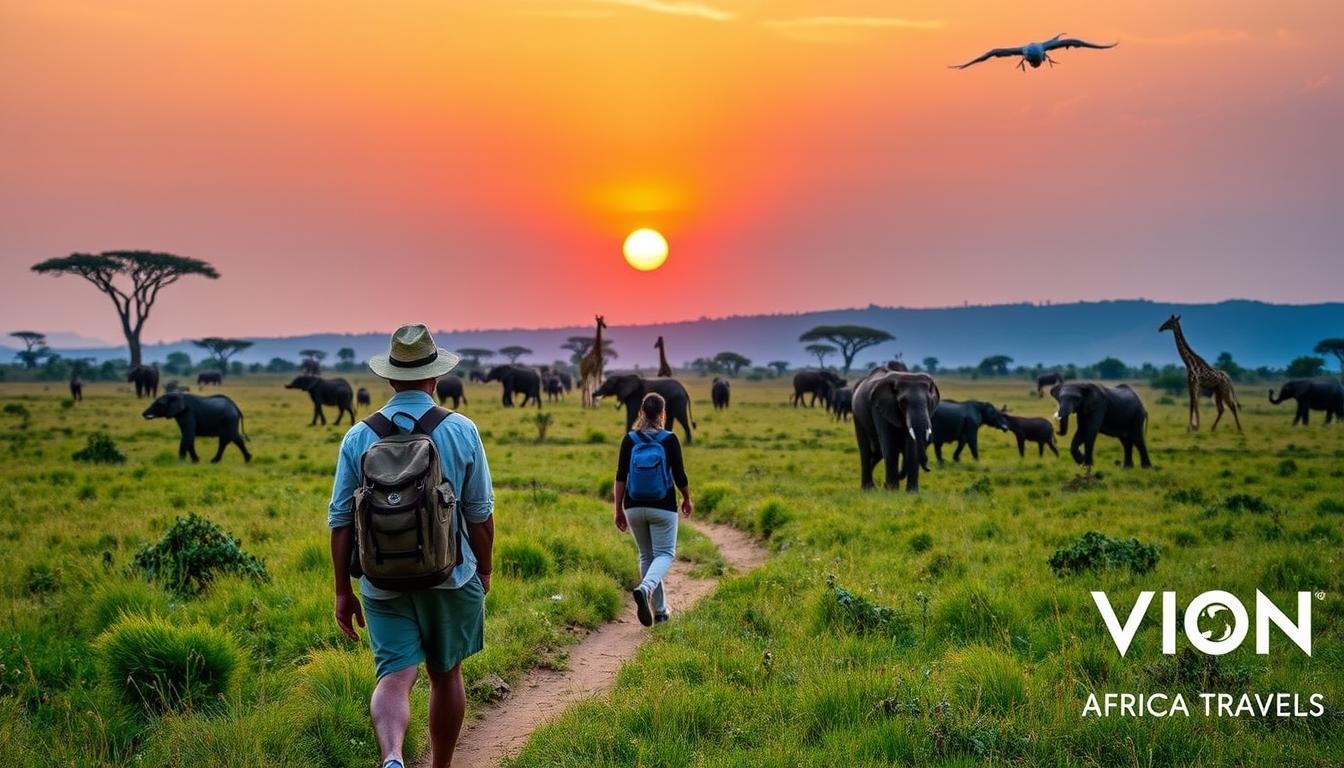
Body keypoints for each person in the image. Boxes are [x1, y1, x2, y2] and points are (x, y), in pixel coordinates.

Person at [328, 323, 495, 768]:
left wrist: (343, 590)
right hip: (451, 575)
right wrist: (484, 568)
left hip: (382, 580)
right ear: (435, 377)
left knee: (394, 677)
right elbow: (479, 514)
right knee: (446, 675)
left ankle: (393, 757)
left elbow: (341, 521)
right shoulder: (462, 430)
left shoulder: (359, 436)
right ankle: (440, 765)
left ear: (389, 378)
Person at [612, 392, 692, 626]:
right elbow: (679, 474)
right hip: (663, 507)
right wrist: (687, 498)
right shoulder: (670, 439)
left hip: (634, 506)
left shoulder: (629, 440)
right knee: (665, 554)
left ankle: (661, 612)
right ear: (662, 413)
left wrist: (618, 509)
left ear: (641, 412)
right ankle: (646, 589)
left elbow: (620, 477)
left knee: (647, 555)